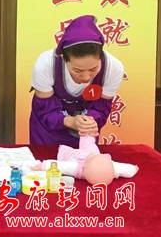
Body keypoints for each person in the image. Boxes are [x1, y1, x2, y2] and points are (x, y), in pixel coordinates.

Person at [29, 15, 125, 146]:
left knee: (86, 157)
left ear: (101, 57)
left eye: (93, 69)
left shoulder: (113, 68)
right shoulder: (46, 65)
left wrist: (89, 121)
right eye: (78, 70)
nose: (86, 77)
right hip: (47, 131)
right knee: (46, 158)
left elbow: (101, 106)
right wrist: (71, 121)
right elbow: (45, 109)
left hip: (84, 132)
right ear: (63, 58)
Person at [33, 134, 139, 185]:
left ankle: (66, 149)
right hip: (91, 152)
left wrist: (43, 165)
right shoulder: (112, 167)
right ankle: (86, 131)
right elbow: (124, 169)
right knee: (89, 142)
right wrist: (133, 169)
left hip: (77, 157)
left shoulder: (77, 167)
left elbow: (60, 166)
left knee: (68, 155)